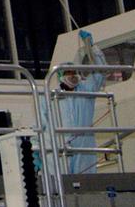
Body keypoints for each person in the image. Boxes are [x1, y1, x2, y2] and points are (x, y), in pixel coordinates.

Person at [49, 30, 107, 175]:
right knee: (63, 181)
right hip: (61, 143)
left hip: (84, 143)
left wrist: (91, 48)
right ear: (61, 76)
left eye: (74, 72)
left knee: (86, 182)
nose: (73, 76)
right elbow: (43, 123)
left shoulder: (86, 90)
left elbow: (100, 72)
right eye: (68, 73)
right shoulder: (52, 97)